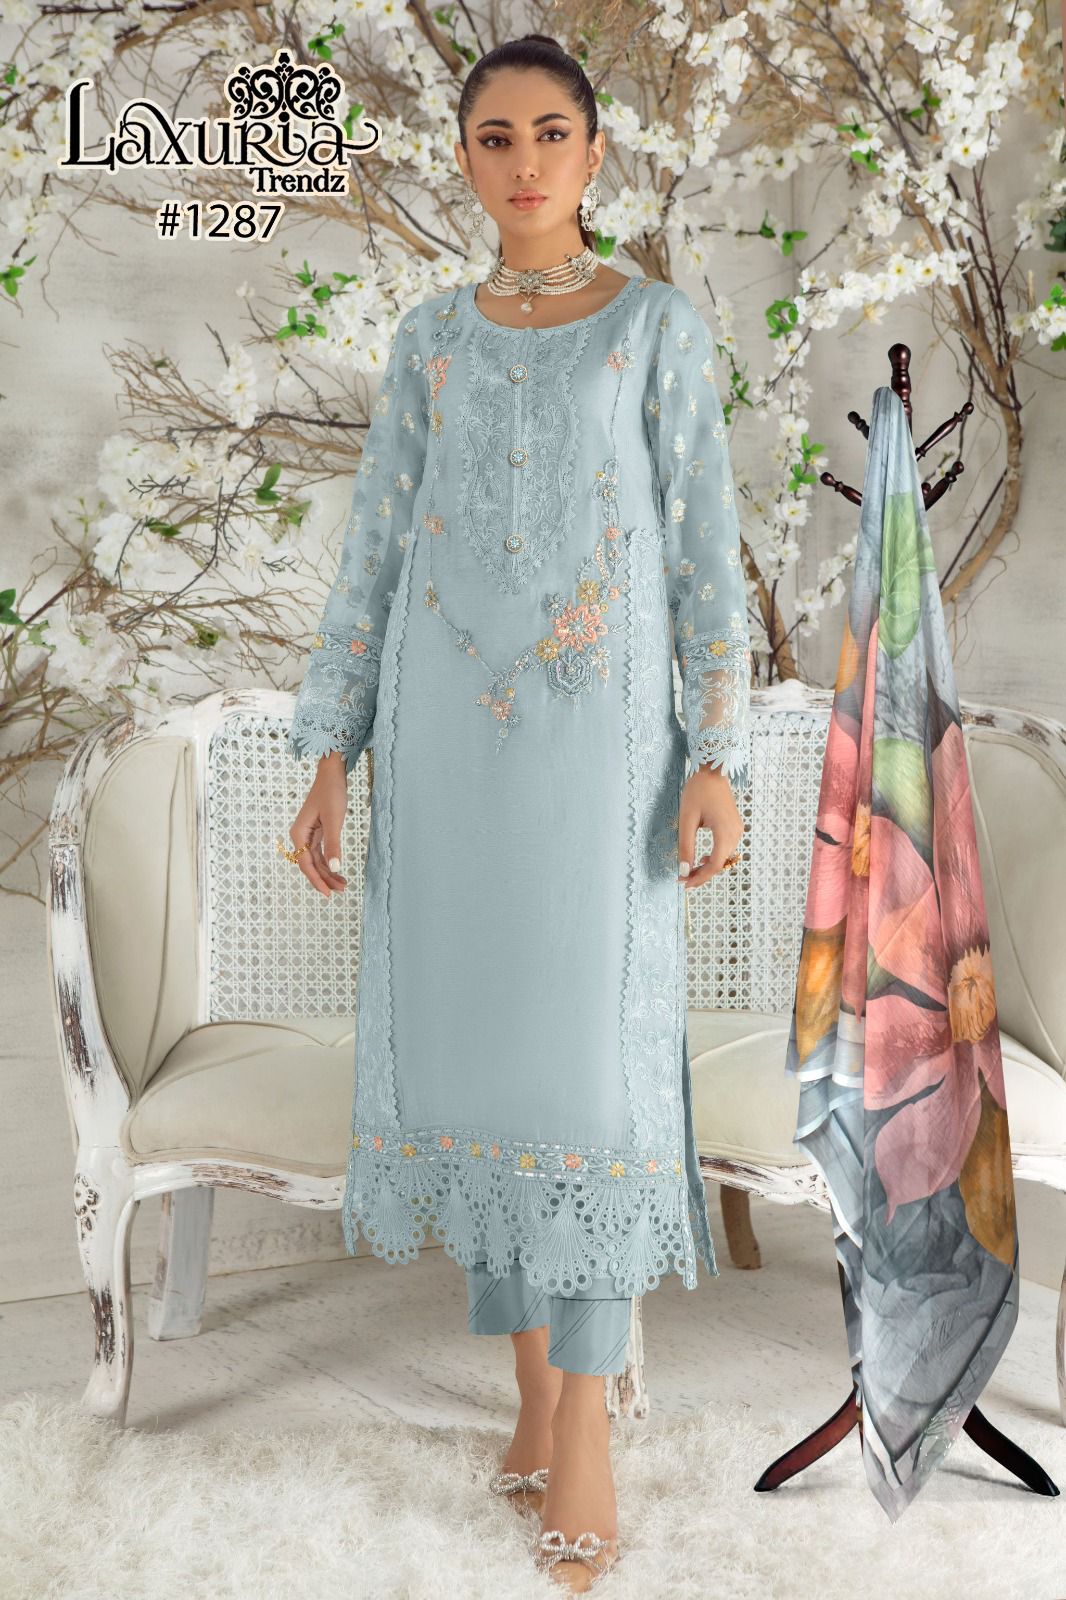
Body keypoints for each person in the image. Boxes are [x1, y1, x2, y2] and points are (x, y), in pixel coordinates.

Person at [283, 33, 751, 1593]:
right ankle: (533, 1394)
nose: (525, 162)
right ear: (464, 157)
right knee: (485, 1065)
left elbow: (703, 551)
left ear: (595, 153)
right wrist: (331, 749)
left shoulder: (654, 328)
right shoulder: (428, 339)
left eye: (552, 133)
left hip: (600, 758)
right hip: (442, 752)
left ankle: (591, 1427)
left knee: (587, 1089)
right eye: (495, 137)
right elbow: (373, 553)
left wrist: (715, 753)